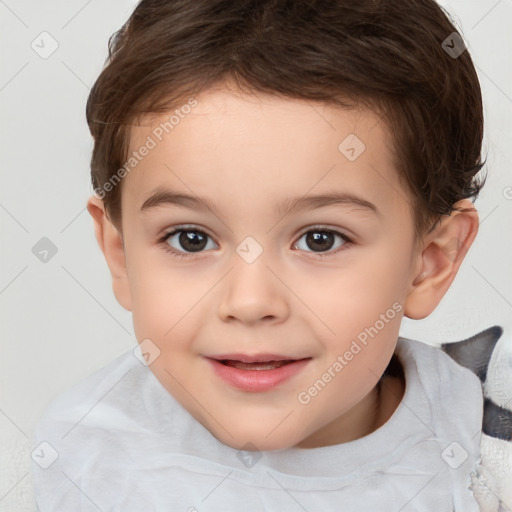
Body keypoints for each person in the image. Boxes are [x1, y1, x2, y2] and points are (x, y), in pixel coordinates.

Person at [31, 0, 493, 509]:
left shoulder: (486, 446)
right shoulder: (88, 458)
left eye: (321, 239)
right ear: (119, 254)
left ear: (430, 261)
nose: (250, 302)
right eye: (191, 238)